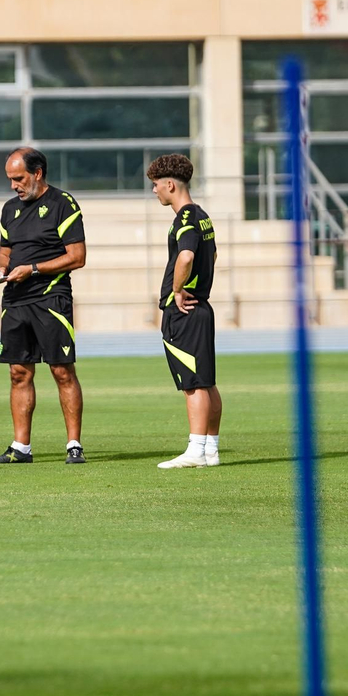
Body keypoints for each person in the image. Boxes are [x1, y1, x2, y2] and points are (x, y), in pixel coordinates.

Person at [0, 147, 87, 465]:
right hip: (15, 300)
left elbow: (77, 257)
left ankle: (74, 445)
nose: (14, 185)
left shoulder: (63, 203)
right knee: (18, 373)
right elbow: (5, 251)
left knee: (61, 370)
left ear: (38, 173)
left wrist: (32, 269)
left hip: (51, 298)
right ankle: (21, 448)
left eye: (18, 178)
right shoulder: (8, 209)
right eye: (10, 180)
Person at [148, 154, 222, 468]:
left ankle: (195, 451)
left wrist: (178, 290)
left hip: (185, 311)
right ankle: (210, 450)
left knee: (192, 383)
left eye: (155, 186)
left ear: (169, 185)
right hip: (200, 306)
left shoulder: (186, 219)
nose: (154, 192)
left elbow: (187, 256)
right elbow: (214, 254)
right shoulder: (203, 215)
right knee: (206, 381)